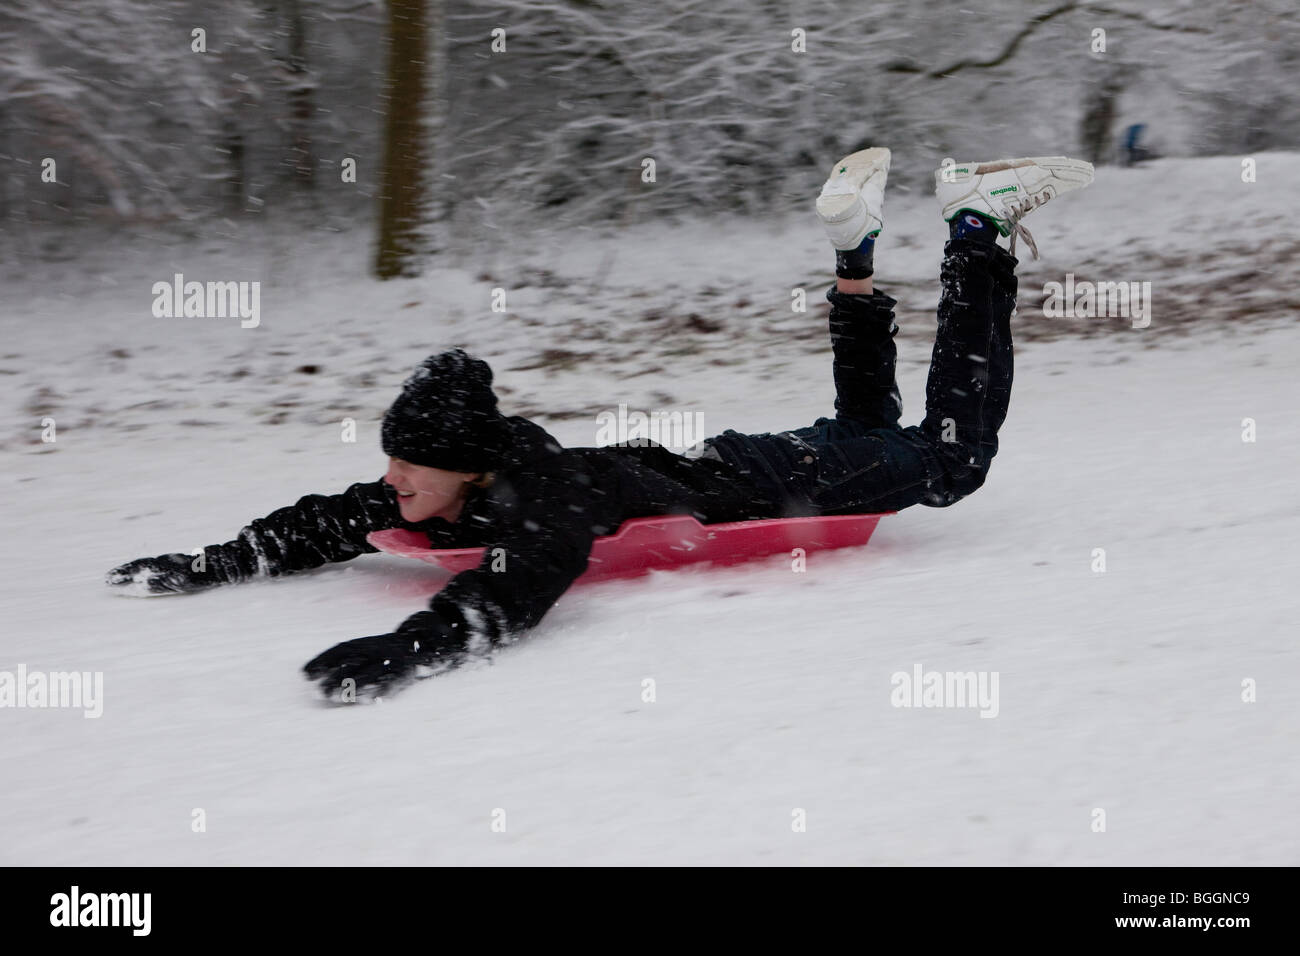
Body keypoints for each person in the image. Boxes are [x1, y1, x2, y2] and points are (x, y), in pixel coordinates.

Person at [107, 148, 1093, 700]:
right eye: (394, 464)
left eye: (410, 464)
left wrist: (417, 645)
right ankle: (854, 249)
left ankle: (977, 228)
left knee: (948, 460)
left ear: (462, 465)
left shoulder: (541, 489)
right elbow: (331, 515)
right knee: (864, 424)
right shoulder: (454, 482)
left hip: (765, 485)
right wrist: (223, 559)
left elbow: (530, 572)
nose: (395, 483)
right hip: (744, 460)